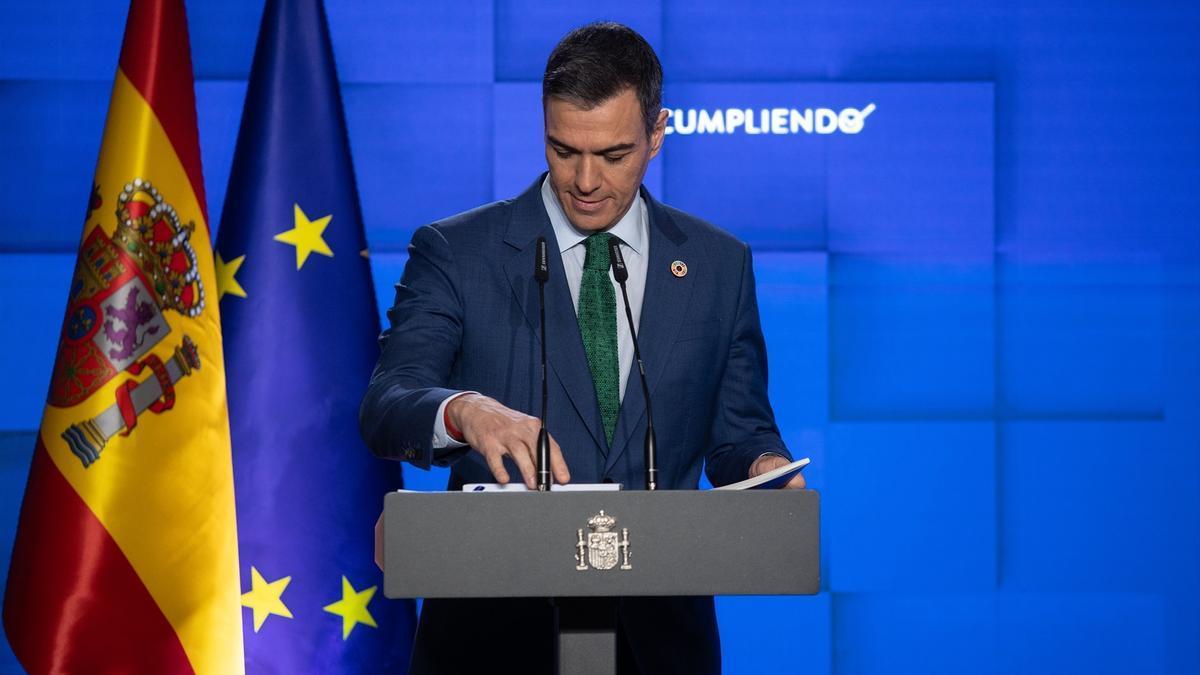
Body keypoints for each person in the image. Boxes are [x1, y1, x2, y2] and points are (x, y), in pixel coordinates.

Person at [360, 22, 804, 675]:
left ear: (658, 132)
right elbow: (387, 403)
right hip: (490, 643)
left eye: (614, 154)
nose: (586, 180)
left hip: (661, 646)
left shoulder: (717, 265)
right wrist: (463, 410)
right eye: (563, 150)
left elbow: (738, 432)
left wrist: (769, 468)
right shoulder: (458, 252)